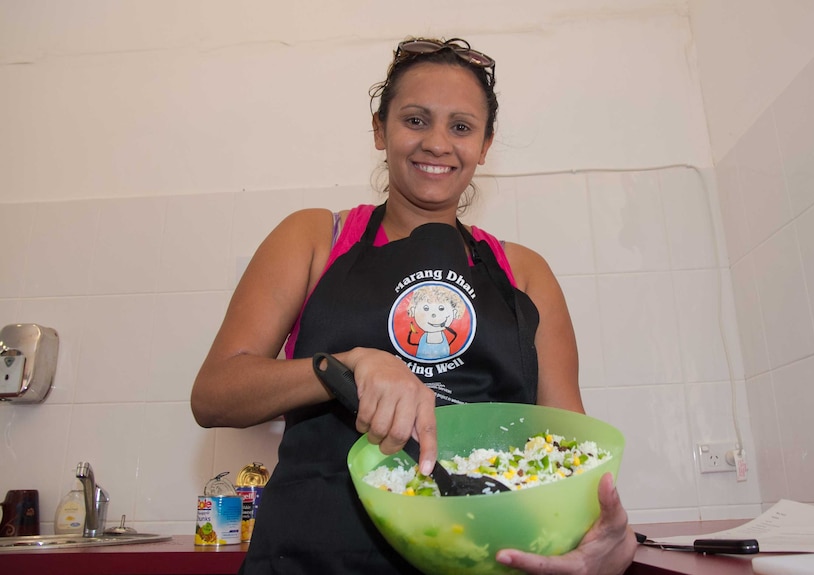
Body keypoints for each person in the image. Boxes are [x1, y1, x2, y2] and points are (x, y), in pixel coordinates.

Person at [191, 36, 637, 574]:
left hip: (487, 558)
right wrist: (344, 367)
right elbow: (214, 394)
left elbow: (570, 448)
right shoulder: (315, 238)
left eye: (461, 127)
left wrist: (601, 536)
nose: (438, 144)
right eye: (416, 120)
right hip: (317, 555)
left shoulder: (524, 272)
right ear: (380, 130)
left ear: (485, 145)